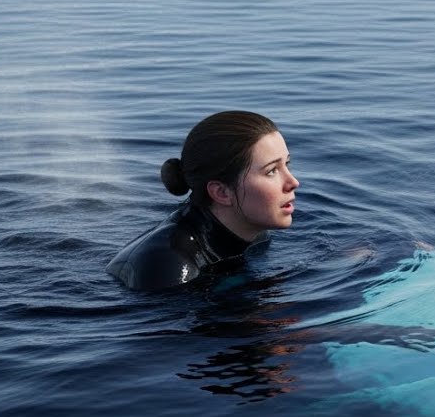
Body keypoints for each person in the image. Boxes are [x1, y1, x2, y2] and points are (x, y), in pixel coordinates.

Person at [107, 110, 299, 292]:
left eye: (287, 164)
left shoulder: (254, 230)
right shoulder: (168, 265)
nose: (293, 182)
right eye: (271, 171)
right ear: (222, 192)